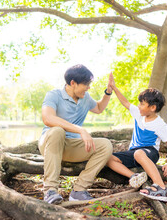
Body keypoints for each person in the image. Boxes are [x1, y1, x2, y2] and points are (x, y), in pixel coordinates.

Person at [38, 64, 113, 204]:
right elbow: (48, 119)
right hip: (51, 143)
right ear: (73, 83)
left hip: (71, 147)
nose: (88, 87)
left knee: (105, 145)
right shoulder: (54, 95)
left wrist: (108, 92)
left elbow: (98, 108)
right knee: (57, 131)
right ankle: (50, 191)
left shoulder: (85, 98)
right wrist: (80, 130)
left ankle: (79, 190)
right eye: (86, 84)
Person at [106, 73, 167, 202]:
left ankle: (161, 187)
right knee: (108, 158)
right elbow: (125, 102)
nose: (138, 106)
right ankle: (135, 177)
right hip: (134, 153)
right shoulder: (138, 114)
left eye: (142, 104)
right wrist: (114, 88)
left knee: (139, 153)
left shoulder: (160, 124)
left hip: (150, 152)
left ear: (153, 108)